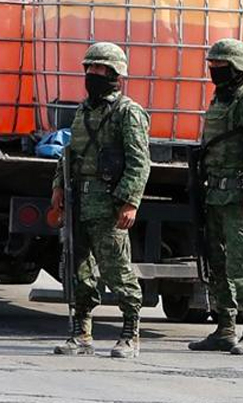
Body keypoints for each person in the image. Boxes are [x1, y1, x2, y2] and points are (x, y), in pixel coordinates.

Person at [50, 42, 150, 359]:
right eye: (89, 68)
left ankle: (129, 334)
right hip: (79, 201)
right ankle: (81, 334)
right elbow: (69, 154)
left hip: (109, 205)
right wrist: (57, 188)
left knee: (117, 271)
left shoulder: (128, 113)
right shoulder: (82, 111)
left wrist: (130, 201)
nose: (93, 74)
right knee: (79, 272)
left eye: (100, 69)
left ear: (115, 73)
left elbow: (139, 162)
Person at [189, 39, 243, 356]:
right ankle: (224, 328)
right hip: (214, 195)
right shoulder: (219, 100)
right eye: (212, 66)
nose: (214, 71)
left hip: (240, 199)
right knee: (217, 264)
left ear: (237, 68)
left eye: (220, 66)